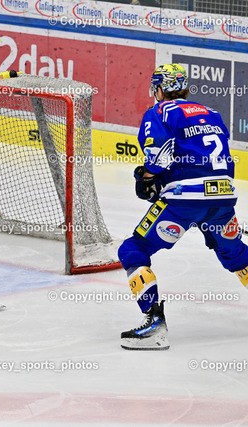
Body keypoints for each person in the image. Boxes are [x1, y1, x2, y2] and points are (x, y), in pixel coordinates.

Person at [118, 64, 248, 350]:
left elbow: (158, 157)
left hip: (184, 200)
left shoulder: (160, 112)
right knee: (236, 255)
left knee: (133, 249)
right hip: (223, 197)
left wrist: (147, 175)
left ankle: (153, 324)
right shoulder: (212, 114)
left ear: (160, 89)